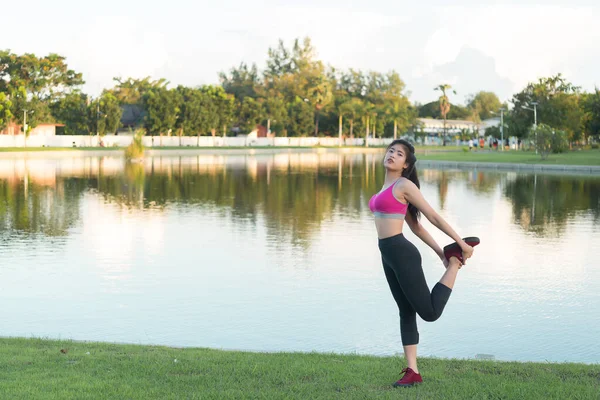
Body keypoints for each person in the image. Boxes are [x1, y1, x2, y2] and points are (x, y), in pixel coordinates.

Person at [369, 139, 478, 388]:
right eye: (390, 151)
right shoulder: (385, 189)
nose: (392, 155)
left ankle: (455, 264)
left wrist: (459, 244)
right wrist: (440, 251)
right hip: (387, 253)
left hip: (402, 253)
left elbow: (432, 217)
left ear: (406, 164)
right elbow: (415, 226)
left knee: (428, 313)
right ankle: (412, 371)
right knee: (405, 311)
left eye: (399, 154)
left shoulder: (404, 185)